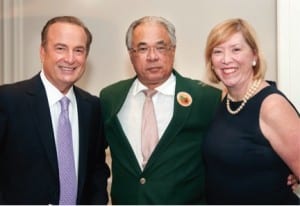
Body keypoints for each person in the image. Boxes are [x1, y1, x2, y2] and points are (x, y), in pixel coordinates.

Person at [99, 16, 221, 204]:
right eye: (142, 48)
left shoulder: (206, 99)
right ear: (131, 54)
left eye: (161, 47)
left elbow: (227, 155)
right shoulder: (110, 98)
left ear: (173, 50)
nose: (152, 56)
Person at [0, 16, 110, 204]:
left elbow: (96, 171)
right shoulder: (8, 100)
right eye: (60, 48)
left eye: (78, 50)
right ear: (43, 52)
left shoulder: (92, 107)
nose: (70, 58)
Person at [203, 18, 300, 204]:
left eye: (236, 49)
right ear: (211, 62)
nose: (226, 59)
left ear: (254, 56)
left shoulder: (272, 105)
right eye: (217, 51)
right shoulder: (225, 100)